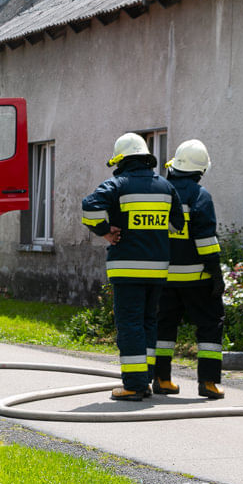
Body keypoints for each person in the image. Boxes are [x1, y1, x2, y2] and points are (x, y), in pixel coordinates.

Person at [82, 133, 184, 401]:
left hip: (127, 269)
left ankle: (134, 385)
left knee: (129, 324)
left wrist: (105, 231)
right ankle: (145, 380)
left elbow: (89, 207)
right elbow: (178, 225)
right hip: (158, 269)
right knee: (149, 322)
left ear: (122, 160)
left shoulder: (118, 184)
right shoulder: (165, 187)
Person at [155, 140, 226, 399]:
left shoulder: (161, 193)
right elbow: (206, 239)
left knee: (163, 328)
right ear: (201, 170)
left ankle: (161, 379)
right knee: (209, 327)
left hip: (163, 278)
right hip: (197, 278)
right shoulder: (200, 195)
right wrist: (216, 274)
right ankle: (208, 383)